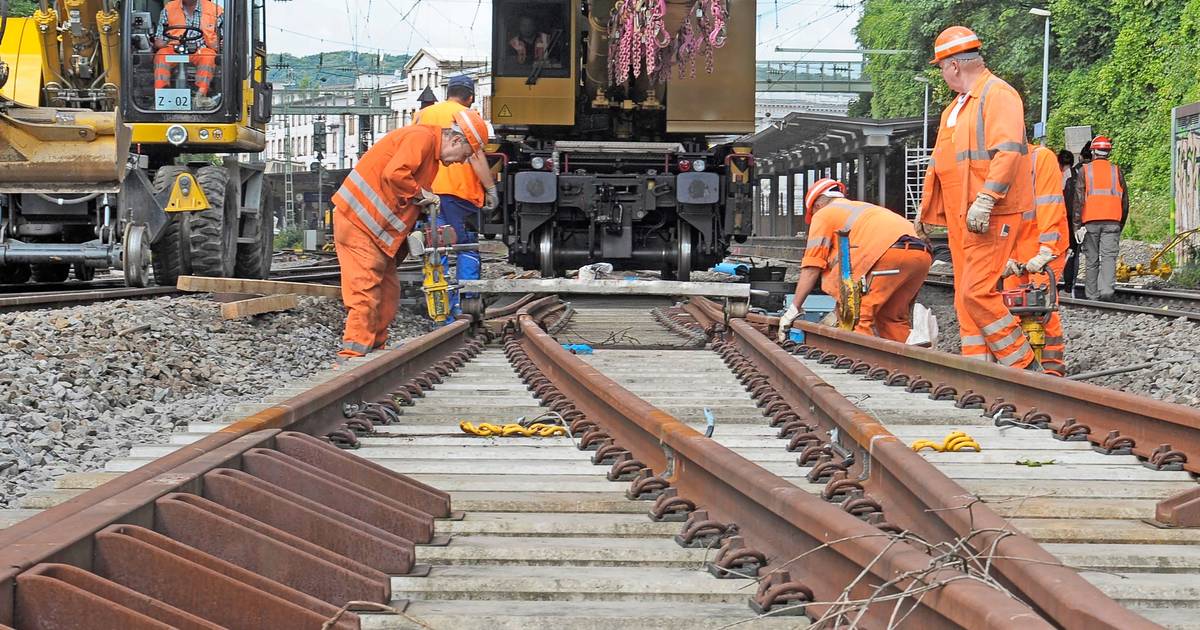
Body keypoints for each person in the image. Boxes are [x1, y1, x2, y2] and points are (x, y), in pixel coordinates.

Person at [915, 26, 1039, 370]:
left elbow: (1008, 151)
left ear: (954, 66)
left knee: (976, 292)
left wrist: (987, 199)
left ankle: (1024, 366)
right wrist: (926, 211)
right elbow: (940, 164)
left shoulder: (998, 95)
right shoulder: (955, 109)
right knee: (964, 298)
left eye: (942, 67)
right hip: (962, 218)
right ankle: (978, 373)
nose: (942, 75)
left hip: (990, 214)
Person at [332, 109, 489, 358]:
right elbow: (395, 174)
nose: (461, 162)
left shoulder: (431, 156)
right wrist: (421, 194)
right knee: (365, 288)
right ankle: (353, 351)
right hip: (358, 221)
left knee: (388, 291)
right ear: (456, 140)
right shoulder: (421, 138)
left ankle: (375, 348)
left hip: (375, 228)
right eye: (465, 155)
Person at [778, 179, 931, 343]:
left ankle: (860, 357)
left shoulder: (823, 214)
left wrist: (794, 308)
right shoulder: (863, 210)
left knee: (857, 315)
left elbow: (811, 266)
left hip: (890, 254)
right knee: (891, 317)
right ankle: (909, 356)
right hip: (921, 255)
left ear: (817, 205)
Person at [413, 75, 499, 317]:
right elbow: (476, 156)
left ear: (447, 92)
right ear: (470, 97)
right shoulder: (468, 117)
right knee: (466, 246)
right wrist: (490, 189)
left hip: (428, 192)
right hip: (461, 192)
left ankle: (440, 307)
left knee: (435, 246)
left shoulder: (422, 115)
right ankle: (467, 301)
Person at [1002, 143, 1070, 376]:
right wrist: (1005, 255)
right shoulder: (1000, 165)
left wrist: (1046, 250)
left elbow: (1050, 206)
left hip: (1044, 248)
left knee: (1042, 308)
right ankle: (1021, 365)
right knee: (1011, 308)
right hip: (1017, 250)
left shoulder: (1040, 159)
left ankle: (1051, 369)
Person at [1071, 135, 1129, 301]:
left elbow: (1078, 200)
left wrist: (1076, 226)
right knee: (1109, 257)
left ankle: (1092, 295)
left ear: (1093, 152)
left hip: (1090, 222)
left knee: (1092, 259)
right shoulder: (1116, 171)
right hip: (1112, 222)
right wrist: (1120, 223)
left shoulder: (1085, 171)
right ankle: (1107, 290)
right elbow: (1125, 201)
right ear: (1108, 152)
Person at [154, 0, 223, 107]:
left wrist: (220, 42)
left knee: (209, 57)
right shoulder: (169, 8)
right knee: (161, 55)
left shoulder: (215, 10)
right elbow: (159, 40)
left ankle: (200, 95)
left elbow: (222, 39)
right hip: (174, 48)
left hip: (201, 48)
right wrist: (161, 41)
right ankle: (162, 96)